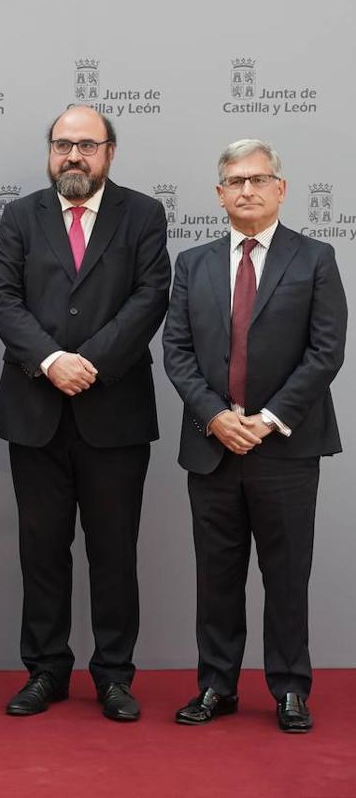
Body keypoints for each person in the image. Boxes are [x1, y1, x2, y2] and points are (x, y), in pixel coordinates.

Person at [0, 106, 170, 721]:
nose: (74, 156)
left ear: (110, 153)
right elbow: (2, 298)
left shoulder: (143, 214)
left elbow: (150, 298)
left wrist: (86, 361)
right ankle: (45, 671)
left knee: (114, 552)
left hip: (112, 411)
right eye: (63, 144)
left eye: (87, 145)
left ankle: (114, 675)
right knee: (41, 550)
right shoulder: (21, 215)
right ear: (49, 152)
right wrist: (50, 361)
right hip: (35, 410)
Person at [163, 140, 346, 733]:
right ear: (219, 195)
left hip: (287, 446)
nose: (247, 190)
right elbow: (177, 352)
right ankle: (216, 685)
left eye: (258, 179)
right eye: (235, 181)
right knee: (216, 576)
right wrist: (217, 416)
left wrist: (266, 421)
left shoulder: (315, 258)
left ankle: (290, 689)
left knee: (287, 574)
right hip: (213, 444)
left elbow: (325, 353)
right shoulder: (192, 264)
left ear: (281, 188)